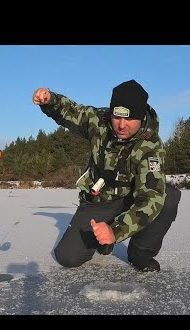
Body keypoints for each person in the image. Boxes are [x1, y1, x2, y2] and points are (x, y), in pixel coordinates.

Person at [32, 79, 181, 272]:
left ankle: (141, 253)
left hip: (132, 199)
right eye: (117, 117)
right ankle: (102, 238)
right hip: (99, 201)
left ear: (141, 116)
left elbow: (151, 197)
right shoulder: (99, 121)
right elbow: (72, 111)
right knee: (67, 257)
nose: (121, 125)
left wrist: (115, 231)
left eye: (129, 119)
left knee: (167, 197)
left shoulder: (151, 147)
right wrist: (50, 100)